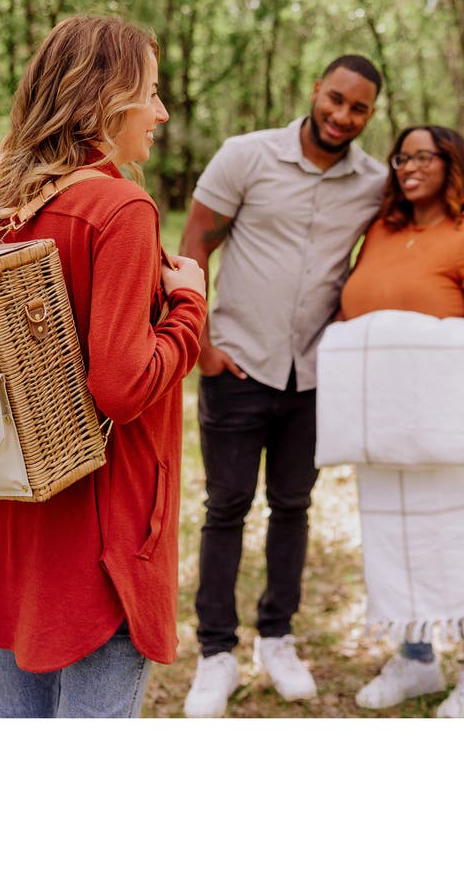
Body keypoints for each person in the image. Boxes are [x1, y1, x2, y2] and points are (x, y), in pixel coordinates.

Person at [0, 14, 206, 718]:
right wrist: (189, 309)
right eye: (149, 92)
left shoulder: (5, 207)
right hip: (101, 530)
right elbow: (121, 388)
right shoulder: (119, 206)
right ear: (106, 97)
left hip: (13, 514)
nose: (159, 112)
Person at [180, 55, 386, 718]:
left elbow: (426, 219)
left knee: (294, 506)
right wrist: (200, 344)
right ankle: (216, 653)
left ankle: (277, 637)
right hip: (238, 365)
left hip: (315, 375)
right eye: (335, 99)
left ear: (370, 115)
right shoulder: (246, 156)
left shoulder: (373, 182)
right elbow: (193, 245)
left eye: (357, 108)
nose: (341, 116)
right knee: (226, 507)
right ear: (313, 90)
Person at [339, 124, 464, 718]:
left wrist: (404, 334)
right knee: (395, 536)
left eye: (424, 156)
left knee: (458, 535)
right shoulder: (380, 230)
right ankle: (416, 658)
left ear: (452, 164)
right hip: (382, 418)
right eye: (402, 156)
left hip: (449, 415)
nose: (408, 165)